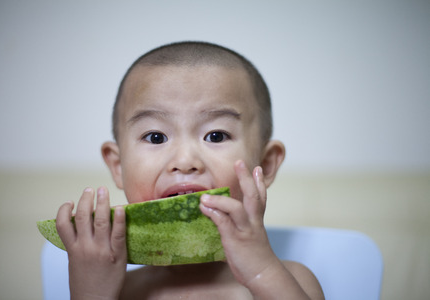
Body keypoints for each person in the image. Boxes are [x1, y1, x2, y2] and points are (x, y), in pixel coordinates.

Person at [56, 41, 325, 299]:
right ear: (118, 166)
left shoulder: (291, 281)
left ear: (265, 165)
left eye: (216, 136)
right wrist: (91, 293)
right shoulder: (119, 291)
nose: (184, 161)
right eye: (156, 137)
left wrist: (261, 274)